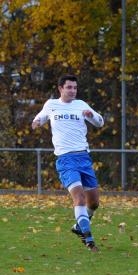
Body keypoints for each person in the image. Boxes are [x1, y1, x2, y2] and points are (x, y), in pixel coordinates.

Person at [31, 74, 105, 252]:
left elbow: (100, 122)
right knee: (79, 197)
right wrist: (37, 122)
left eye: (75, 88)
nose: (72, 91)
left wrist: (92, 115)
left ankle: (78, 226)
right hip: (65, 159)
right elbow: (40, 117)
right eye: (69, 87)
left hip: (83, 158)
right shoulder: (51, 105)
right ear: (60, 89)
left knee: (93, 203)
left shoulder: (81, 105)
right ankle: (88, 238)